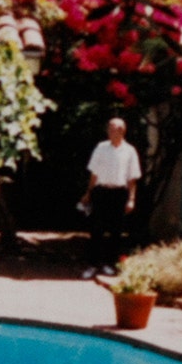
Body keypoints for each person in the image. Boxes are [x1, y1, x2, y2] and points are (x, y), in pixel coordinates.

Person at [79, 117, 141, 279]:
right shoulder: (101, 148)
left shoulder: (130, 151)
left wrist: (131, 199)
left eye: (114, 129)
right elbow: (94, 173)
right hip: (101, 192)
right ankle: (92, 265)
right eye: (109, 129)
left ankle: (110, 264)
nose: (111, 132)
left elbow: (132, 178)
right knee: (96, 229)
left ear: (122, 131)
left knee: (116, 231)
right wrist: (88, 193)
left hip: (119, 193)